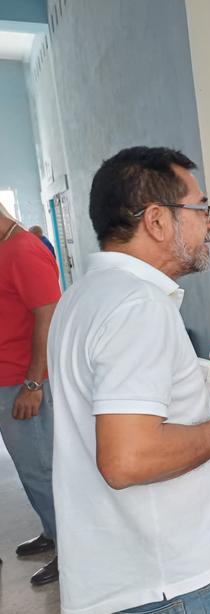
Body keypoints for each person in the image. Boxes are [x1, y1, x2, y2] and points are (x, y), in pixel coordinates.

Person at [46, 146, 210, 614]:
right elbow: (127, 459)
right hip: (168, 584)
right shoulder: (139, 307)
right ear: (156, 221)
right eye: (201, 208)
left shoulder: (82, 296)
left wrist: (198, 388)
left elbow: (113, 406)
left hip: (122, 571)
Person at [0, 206, 60, 585]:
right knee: (30, 471)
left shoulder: (23, 249)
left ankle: (74, 551)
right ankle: (53, 533)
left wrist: (33, 384)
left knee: (44, 471)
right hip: (7, 379)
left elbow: (49, 314)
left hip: (23, 383)